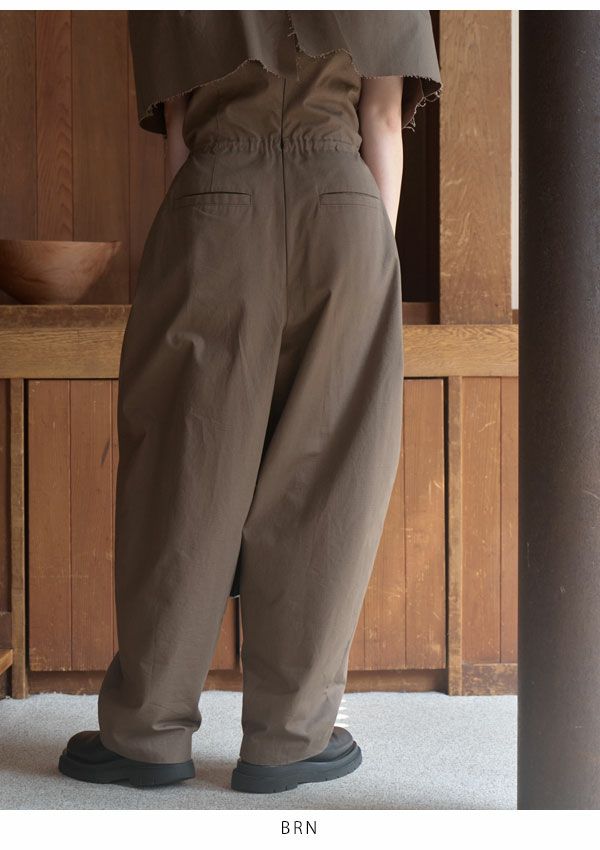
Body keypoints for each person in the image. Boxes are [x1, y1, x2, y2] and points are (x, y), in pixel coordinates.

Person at [58, 10, 442, 793]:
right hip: (343, 202)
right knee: (329, 471)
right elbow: (381, 120)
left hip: (213, 200)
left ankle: (146, 735)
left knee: (183, 464)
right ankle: (290, 739)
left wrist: (199, 232)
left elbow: (179, 134)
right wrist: (370, 257)